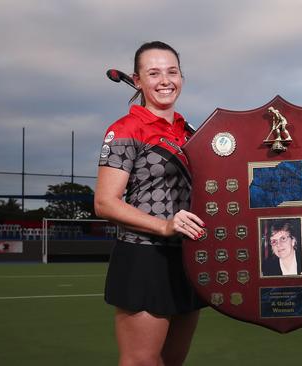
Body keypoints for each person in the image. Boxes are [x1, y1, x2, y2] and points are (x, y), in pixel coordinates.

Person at [94, 41, 206, 366]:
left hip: (187, 258)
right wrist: (165, 226)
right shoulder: (125, 129)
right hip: (144, 255)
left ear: (182, 77)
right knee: (141, 361)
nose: (165, 80)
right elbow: (105, 203)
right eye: (153, 73)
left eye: (172, 72)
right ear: (137, 80)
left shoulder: (190, 133)